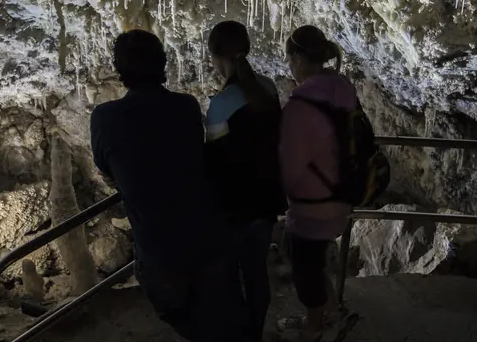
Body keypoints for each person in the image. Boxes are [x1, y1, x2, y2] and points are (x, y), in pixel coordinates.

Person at [90, 29, 247, 342]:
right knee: (224, 318)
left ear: (120, 71)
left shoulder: (104, 118)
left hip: (160, 249)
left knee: (183, 314)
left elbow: (105, 167)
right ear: (162, 63)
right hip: (209, 236)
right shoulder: (185, 107)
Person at [205, 21, 287, 342]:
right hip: (266, 201)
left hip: (234, 207)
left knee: (227, 277)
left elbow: (215, 160)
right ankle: (253, 334)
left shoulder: (220, 104)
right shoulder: (268, 88)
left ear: (216, 57)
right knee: (256, 274)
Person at [278, 25, 359, 341]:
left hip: (313, 203)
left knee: (305, 269)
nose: (289, 66)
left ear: (298, 58)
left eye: (289, 59)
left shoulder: (302, 106)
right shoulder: (342, 88)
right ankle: (334, 311)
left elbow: (291, 167)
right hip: (342, 194)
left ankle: (316, 329)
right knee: (310, 259)